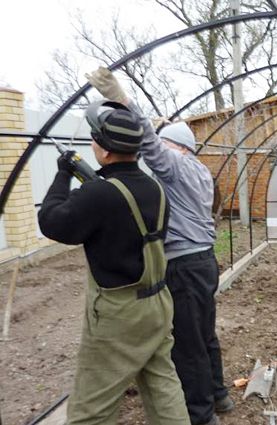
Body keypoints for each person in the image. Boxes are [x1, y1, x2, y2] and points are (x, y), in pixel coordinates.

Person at [86, 67, 233, 425]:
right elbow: (161, 142)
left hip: (182, 268)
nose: (157, 149)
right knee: (204, 334)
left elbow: (151, 143)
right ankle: (220, 396)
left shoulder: (175, 166)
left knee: (187, 344)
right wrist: (166, 127)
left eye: (164, 143)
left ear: (175, 146)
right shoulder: (198, 168)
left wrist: (123, 100)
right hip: (204, 263)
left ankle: (201, 416)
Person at [38, 100, 191, 424]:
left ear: (104, 151)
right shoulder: (155, 189)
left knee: (92, 407)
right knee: (163, 386)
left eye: (95, 138)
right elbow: (118, 210)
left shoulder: (99, 195)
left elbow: (52, 222)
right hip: (158, 303)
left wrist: (64, 174)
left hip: (120, 315)